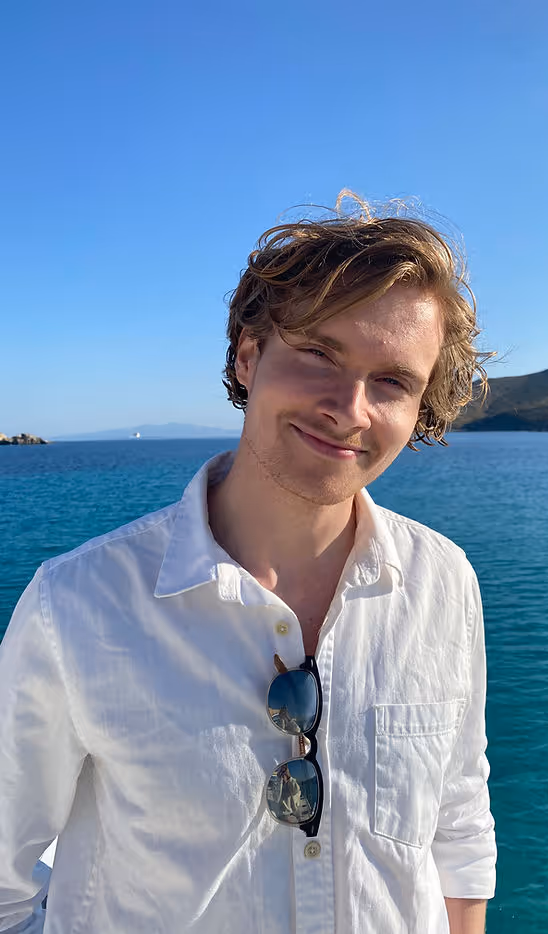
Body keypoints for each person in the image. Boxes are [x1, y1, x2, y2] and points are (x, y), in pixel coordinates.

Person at [0, 191, 496, 934]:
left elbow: (457, 826)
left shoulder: (443, 583)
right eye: (320, 354)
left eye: (392, 380)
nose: (349, 407)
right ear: (248, 353)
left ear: (420, 408)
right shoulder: (79, 604)